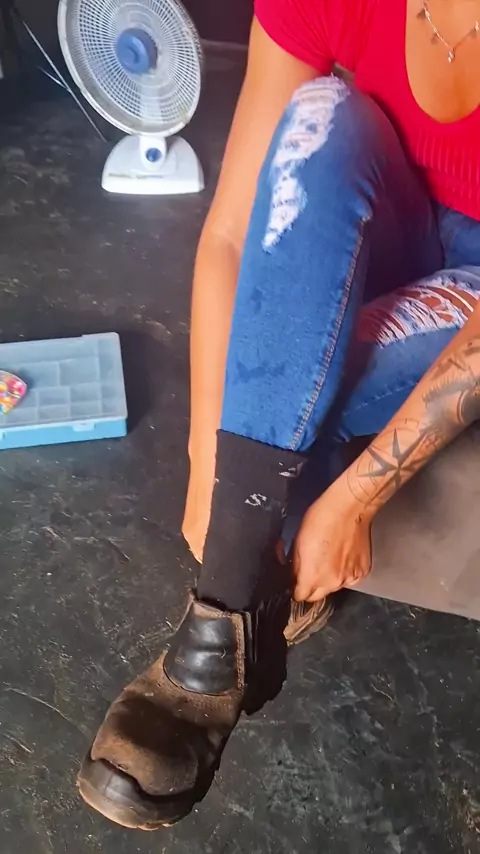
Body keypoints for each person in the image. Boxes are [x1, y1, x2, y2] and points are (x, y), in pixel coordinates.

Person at [77, 0, 480, 830]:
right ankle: (243, 584)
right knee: (322, 112)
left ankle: (222, 623)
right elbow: (230, 236)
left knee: (298, 388)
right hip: (391, 225)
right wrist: (208, 467)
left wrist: (356, 499)